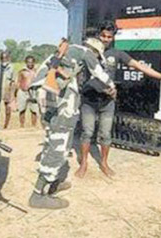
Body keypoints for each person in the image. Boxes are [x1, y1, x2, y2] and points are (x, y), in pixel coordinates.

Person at [75, 21, 161, 178]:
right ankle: (83, 163)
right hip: (89, 100)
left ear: (113, 38)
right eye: (103, 36)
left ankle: (104, 163)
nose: (105, 39)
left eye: (109, 36)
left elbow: (140, 67)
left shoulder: (117, 54)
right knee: (87, 132)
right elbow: (76, 72)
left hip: (107, 102)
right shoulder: (87, 53)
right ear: (98, 35)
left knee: (105, 134)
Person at [28, 37, 116, 209]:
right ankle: (38, 194)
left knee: (52, 138)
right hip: (55, 98)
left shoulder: (66, 54)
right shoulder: (85, 52)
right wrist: (112, 85)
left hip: (46, 96)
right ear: (95, 51)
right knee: (59, 142)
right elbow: (98, 72)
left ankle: (53, 182)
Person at [0, 51, 16, 129]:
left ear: (8, 58)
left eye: (6, 58)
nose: (4, 59)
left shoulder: (11, 67)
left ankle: (5, 126)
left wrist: (13, 94)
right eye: (2, 58)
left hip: (6, 90)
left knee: (8, 109)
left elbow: (13, 81)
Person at [15, 55, 39, 128]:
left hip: (33, 92)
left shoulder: (36, 71)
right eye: (28, 62)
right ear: (26, 63)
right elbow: (18, 82)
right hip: (23, 92)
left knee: (34, 110)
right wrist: (15, 93)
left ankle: (33, 126)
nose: (30, 64)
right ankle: (22, 125)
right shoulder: (22, 71)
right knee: (22, 109)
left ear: (34, 62)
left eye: (32, 62)